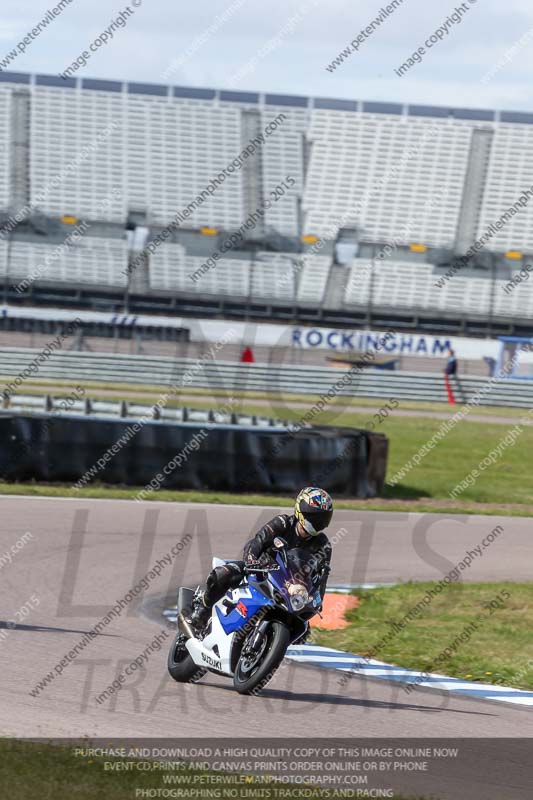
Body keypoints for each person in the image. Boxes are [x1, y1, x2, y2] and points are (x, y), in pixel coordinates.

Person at [189, 487, 334, 630]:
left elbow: (322, 578)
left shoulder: (323, 545)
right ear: (302, 511)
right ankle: (204, 608)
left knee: (303, 625)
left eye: (322, 519)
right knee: (223, 573)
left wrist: (316, 600)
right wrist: (251, 561)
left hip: (290, 588)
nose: (318, 522)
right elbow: (257, 542)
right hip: (261, 570)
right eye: (315, 517)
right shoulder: (283, 523)